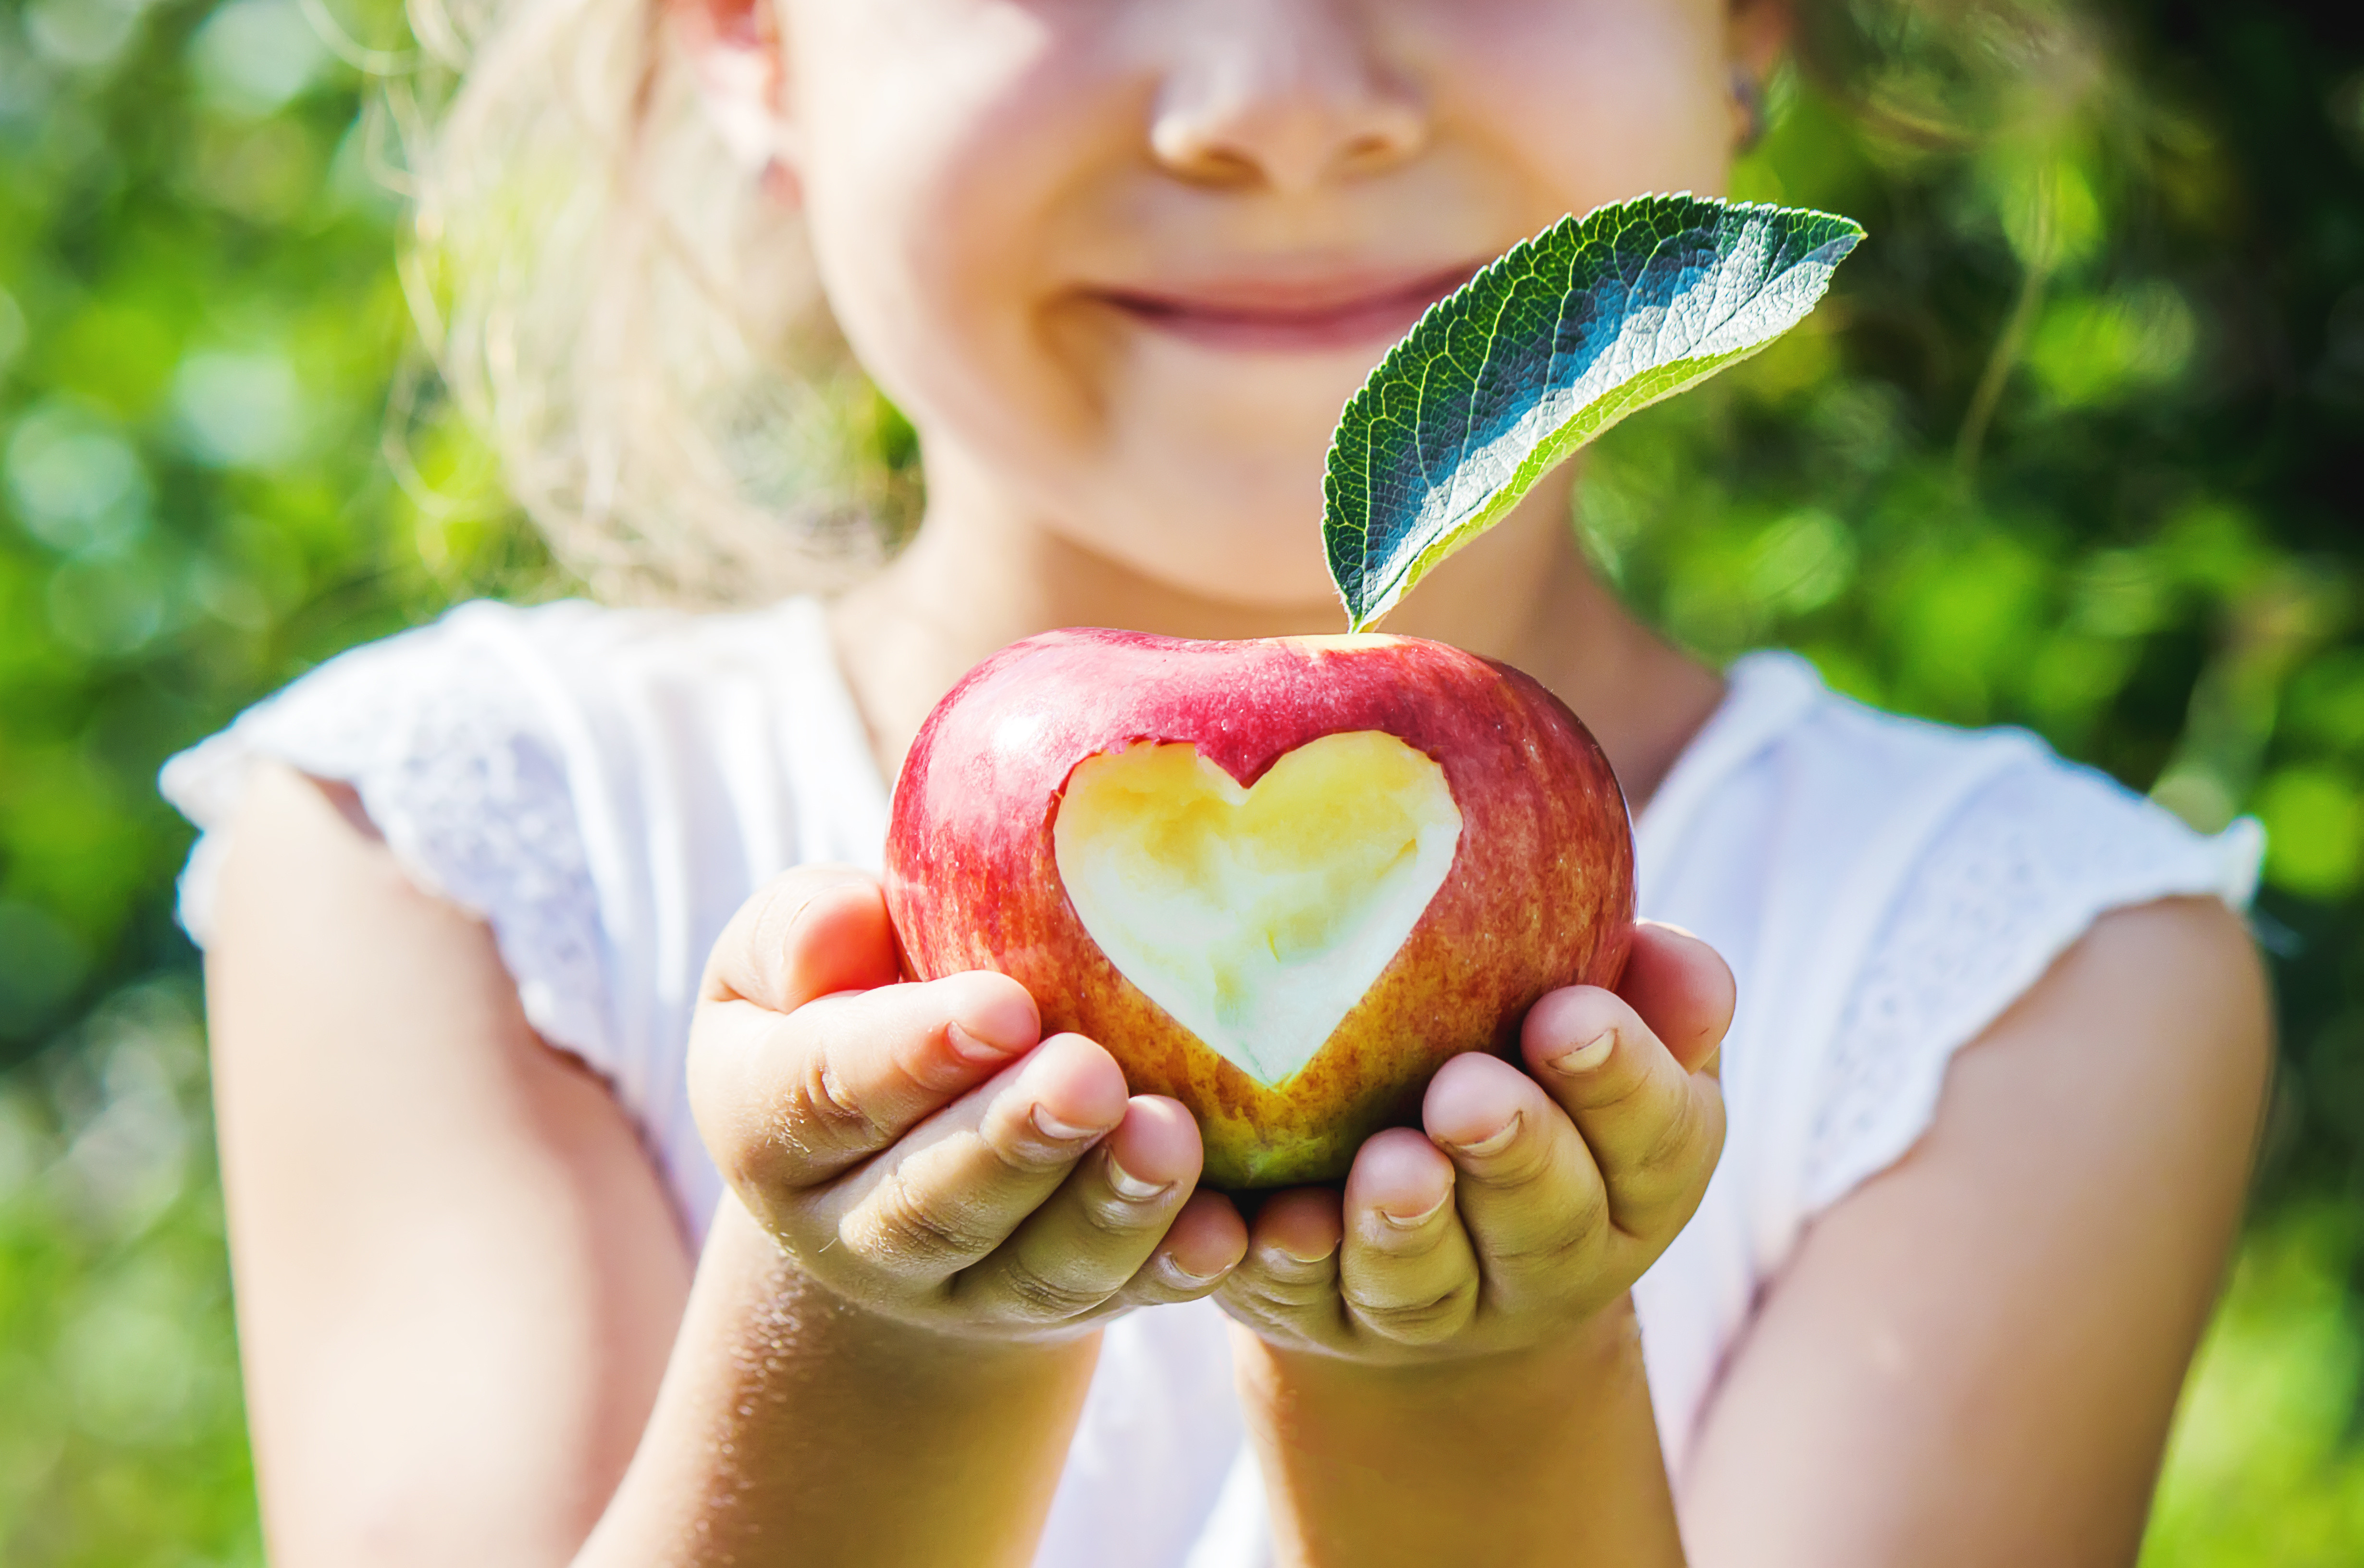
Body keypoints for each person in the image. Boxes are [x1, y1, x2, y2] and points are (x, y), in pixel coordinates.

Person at [160, 1, 2273, 1563]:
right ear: (747, 37)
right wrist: (883, 1328)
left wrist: (1465, 1367)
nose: (1274, 107)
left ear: (1744, 24)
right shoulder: (449, 854)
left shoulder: (2028, 979)